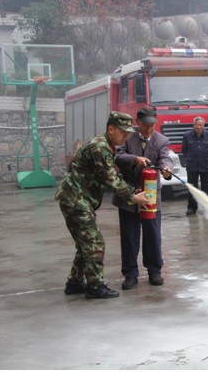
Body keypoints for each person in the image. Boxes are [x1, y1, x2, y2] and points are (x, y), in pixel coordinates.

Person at [55, 111, 149, 299]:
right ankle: (94, 286)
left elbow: (108, 176)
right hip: (76, 201)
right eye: (122, 131)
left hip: (77, 199)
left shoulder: (106, 145)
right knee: (94, 243)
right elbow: (111, 180)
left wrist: (131, 191)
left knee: (85, 244)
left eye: (128, 132)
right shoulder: (100, 147)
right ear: (111, 129)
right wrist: (133, 196)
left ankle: (74, 283)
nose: (126, 135)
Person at [112, 107, 173, 289]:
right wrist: (135, 159)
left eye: (152, 125)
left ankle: (154, 271)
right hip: (129, 195)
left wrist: (167, 169)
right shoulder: (126, 137)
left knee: (153, 235)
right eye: (146, 125)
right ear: (138, 122)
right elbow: (118, 155)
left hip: (152, 196)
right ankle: (130, 274)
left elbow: (165, 158)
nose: (149, 129)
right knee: (129, 237)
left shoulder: (161, 140)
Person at [182, 116, 208, 215]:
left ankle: (207, 208)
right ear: (193, 126)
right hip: (192, 166)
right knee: (192, 188)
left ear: (204, 126)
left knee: (207, 188)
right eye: (197, 125)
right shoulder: (186, 136)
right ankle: (192, 208)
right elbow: (184, 150)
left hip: (205, 166)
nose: (199, 127)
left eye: (201, 125)